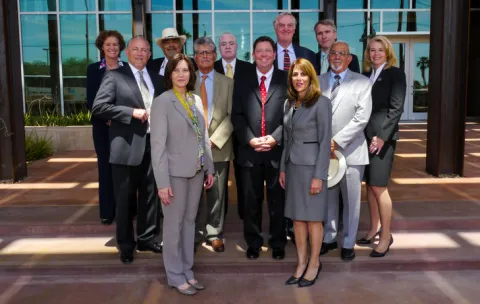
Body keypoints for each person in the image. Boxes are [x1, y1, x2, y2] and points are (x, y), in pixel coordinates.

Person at [92, 36, 164, 265]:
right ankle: (125, 245)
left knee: (150, 197)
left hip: (153, 146)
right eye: (136, 49)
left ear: (150, 54)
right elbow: (99, 107)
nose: (140, 53)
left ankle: (146, 238)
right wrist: (130, 113)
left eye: (145, 50)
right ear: (128, 52)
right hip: (126, 147)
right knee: (124, 200)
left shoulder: (158, 79)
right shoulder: (114, 77)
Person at [150, 53, 214, 296]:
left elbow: (203, 136)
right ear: (170, 75)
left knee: (189, 224)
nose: (181, 74)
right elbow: (157, 146)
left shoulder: (195, 99)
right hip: (174, 174)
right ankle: (175, 275)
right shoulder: (163, 102)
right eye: (176, 70)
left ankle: (187, 270)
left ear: (191, 74)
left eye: (185, 70)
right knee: (174, 226)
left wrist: (208, 166)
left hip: (196, 172)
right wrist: (163, 183)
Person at [232, 36, 287, 260]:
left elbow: (292, 115)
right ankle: (253, 242)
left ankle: (277, 243)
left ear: (274, 55)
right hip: (250, 152)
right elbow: (236, 114)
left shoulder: (286, 79)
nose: (264, 55)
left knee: (278, 201)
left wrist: (275, 138)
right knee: (251, 200)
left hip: (277, 151)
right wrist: (250, 139)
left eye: (268, 51)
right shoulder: (242, 79)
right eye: (259, 51)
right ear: (253, 55)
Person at [279, 58, 332, 287]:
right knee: (297, 219)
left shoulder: (321, 103)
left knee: (313, 220)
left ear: (311, 77)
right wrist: (282, 168)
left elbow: (324, 141)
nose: (299, 78)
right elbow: (287, 140)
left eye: (303, 74)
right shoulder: (289, 103)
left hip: (312, 170)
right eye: (295, 74)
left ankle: (314, 263)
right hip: (292, 168)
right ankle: (300, 263)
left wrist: (319, 176)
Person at [318, 41, 372, 261]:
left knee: (351, 201)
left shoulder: (362, 82)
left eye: (342, 54)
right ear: (327, 57)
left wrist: (337, 141)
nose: (337, 57)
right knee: (328, 198)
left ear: (350, 58)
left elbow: (362, 117)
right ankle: (329, 238)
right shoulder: (318, 82)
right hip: (323, 152)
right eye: (333, 53)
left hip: (351, 151)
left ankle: (348, 242)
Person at [357, 36, 406, 257]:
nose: (375, 54)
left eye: (380, 50)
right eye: (372, 50)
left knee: (379, 186)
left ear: (387, 52)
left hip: (381, 139)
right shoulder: (366, 75)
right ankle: (373, 229)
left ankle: (386, 236)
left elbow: (396, 109)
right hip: (364, 137)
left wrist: (382, 137)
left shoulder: (395, 74)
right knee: (369, 186)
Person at [193, 37, 234, 253]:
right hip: (191, 148)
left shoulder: (227, 82)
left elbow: (231, 115)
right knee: (193, 193)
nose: (205, 56)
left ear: (215, 56)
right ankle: (195, 233)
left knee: (217, 193)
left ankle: (214, 232)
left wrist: (214, 140)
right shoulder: (185, 80)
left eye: (209, 52)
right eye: (201, 53)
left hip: (219, 146)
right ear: (195, 57)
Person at [86, 30, 126, 225]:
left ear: (120, 48)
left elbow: (131, 98)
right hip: (102, 127)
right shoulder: (93, 69)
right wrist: (108, 118)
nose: (112, 48)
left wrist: (119, 118)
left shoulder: (127, 68)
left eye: (115, 45)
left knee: (125, 168)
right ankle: (107, 211)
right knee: (105, 167)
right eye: (108, 44)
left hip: (125, 126)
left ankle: (126, 209)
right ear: (102, 46)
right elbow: (91, 100)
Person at [214, 32, 254, 220]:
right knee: (217, 179)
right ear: (219, 48)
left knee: (243, 176)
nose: (228, 46)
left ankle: (244, 214)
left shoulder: (249, 69)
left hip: (242, 129)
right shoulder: (211, 69)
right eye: (223, 44)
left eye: (231, 43)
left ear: (237, 46)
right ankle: (219, 216)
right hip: (217, 132)